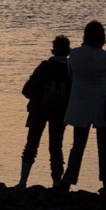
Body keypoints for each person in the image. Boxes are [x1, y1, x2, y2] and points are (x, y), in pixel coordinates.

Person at [59, 20, 106, 193]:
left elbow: (71, 75)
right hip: (102, 101)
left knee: (78, 144)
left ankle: (68, 180)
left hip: (80, 102)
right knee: (104, 145)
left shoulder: (75, 54)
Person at [18, 35, 72, 188]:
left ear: (53, 49)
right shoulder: (70, 71)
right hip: (60, 112)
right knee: (56, 147)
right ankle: (56, 181)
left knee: (31, 145)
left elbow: (27, 90)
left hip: (39, 110)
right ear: (68, 51)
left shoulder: (44, 67)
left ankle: (23, 181)